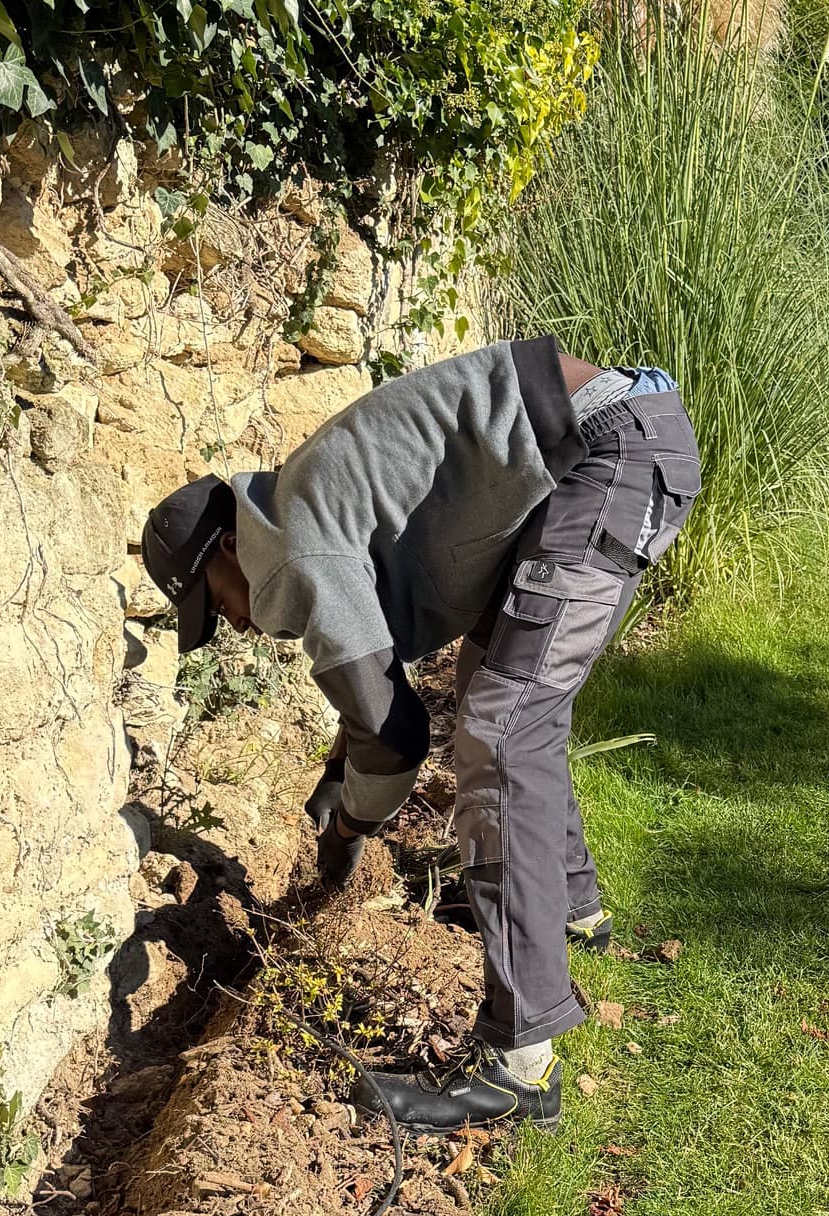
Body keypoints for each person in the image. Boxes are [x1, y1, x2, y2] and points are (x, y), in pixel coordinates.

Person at [139, 337, 699, 1133]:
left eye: (214, 599)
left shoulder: (288, 550)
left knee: (503, 727)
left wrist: (351, 828)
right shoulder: (301, 504)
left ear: (229, 544)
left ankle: (520, 1067)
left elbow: (396, 734)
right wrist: (340, 768)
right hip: (614, 439)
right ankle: (572, 911)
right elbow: (371, 680)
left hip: (610, 453)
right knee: (494, 690)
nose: (231, 620)